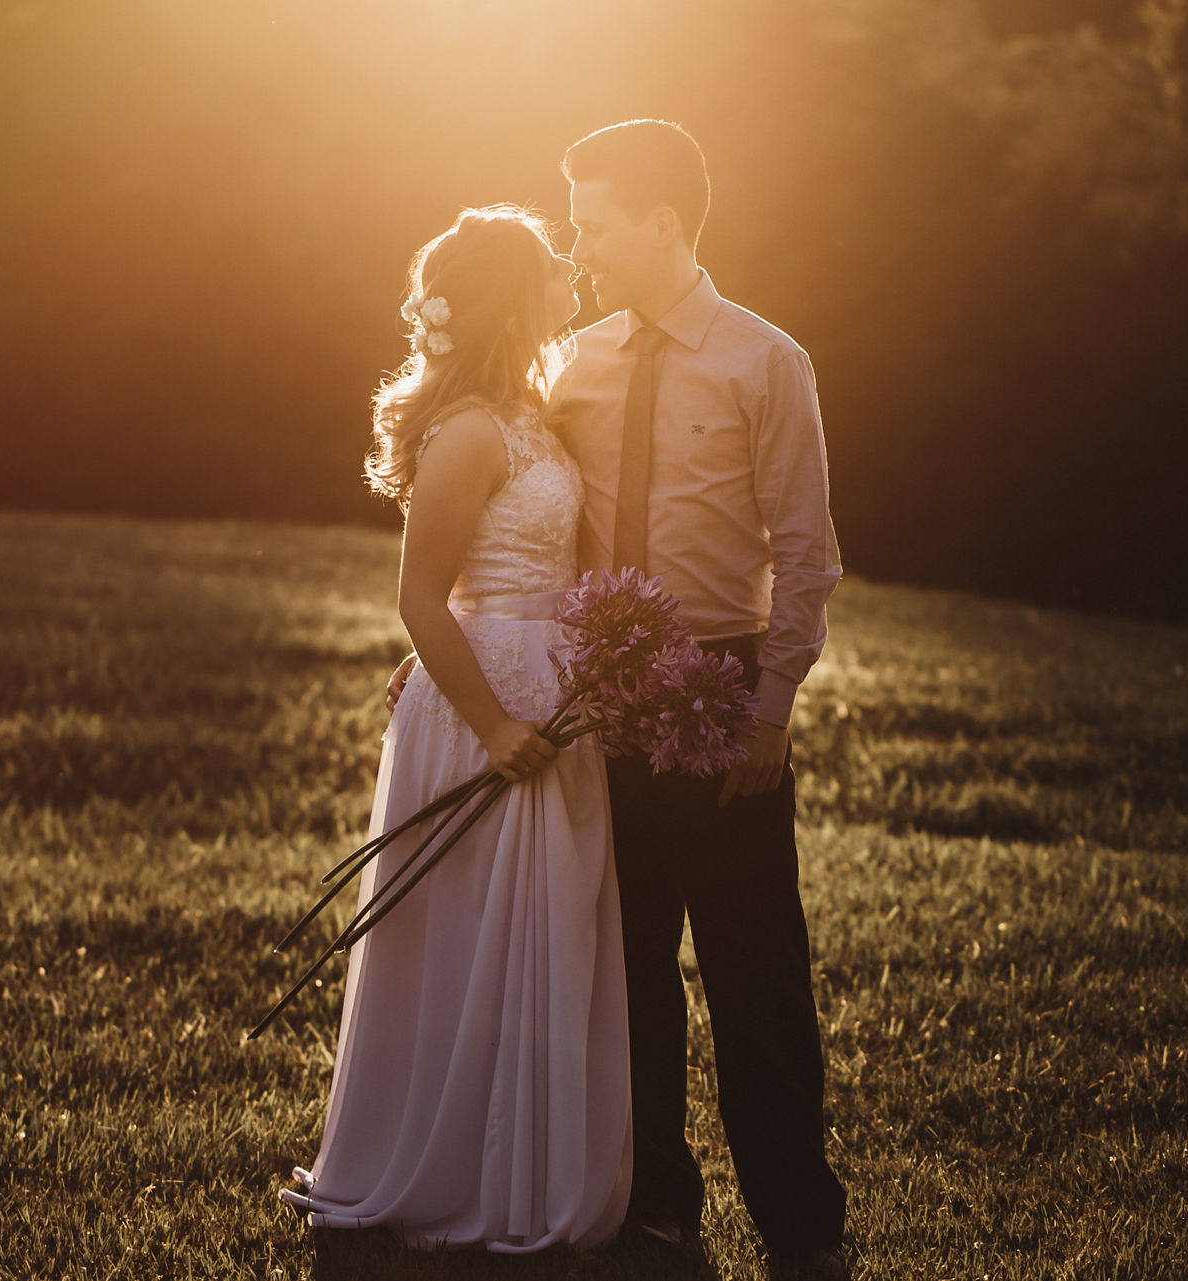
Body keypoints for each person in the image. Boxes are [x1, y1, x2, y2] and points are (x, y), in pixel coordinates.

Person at [389, 120, 851, 1279]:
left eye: (596, 224)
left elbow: (808, 555)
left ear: (663, 223)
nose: (581, 249)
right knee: (627, 957)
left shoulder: (766, 361)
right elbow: (516, 519)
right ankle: (658, 1205)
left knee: (753, 960)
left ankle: (803, 1228)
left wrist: (773, 707)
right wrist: (477, 643)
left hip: (728, 683)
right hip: (602, 693)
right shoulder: (573, 363)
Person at [278, 205, 633, 1251]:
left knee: (544, 932)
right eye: (550, 268)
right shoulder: (470, 428)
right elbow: (421, 597)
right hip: (491, 714)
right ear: (514, 298)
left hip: (551, 696)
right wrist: (489, 724)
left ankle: (525, 1161)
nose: (570, 274)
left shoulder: (529, 415)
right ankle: (444, 1167)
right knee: (466, 937)